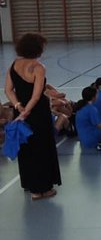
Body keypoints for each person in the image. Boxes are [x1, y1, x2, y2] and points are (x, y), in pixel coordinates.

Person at [4, 32, 61, 200]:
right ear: (37, 48)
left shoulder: (14, 65)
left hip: (20, 110)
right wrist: (27, 111)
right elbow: (36, 96)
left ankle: (30, 184)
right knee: (41, 149)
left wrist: (18, 107)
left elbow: (8, 90)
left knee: (27, 148)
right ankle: (41, 189)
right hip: (38, 114)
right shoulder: (38, 67)